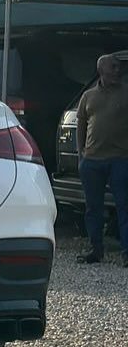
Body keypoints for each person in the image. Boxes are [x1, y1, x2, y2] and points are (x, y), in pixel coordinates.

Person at [76, 53, 128, 264]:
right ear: (101, 70)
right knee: (92, 208)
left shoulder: (126, 93)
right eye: (113, 67)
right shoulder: (88, 96)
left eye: (118, 67)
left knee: (124, 206)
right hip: (92, 161)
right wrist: (81, 155)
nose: (118, 70)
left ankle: (126, 253)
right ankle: (95, 249)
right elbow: (81, 124)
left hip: (120, 159)